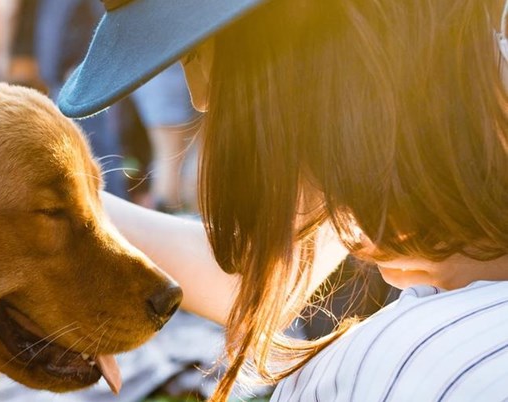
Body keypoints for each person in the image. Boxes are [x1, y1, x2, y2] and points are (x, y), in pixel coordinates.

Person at [56, 0, 508, 400]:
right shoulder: (364, 117)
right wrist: (61, 202)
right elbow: (259, 278)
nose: (199, 98)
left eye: (193, 53)